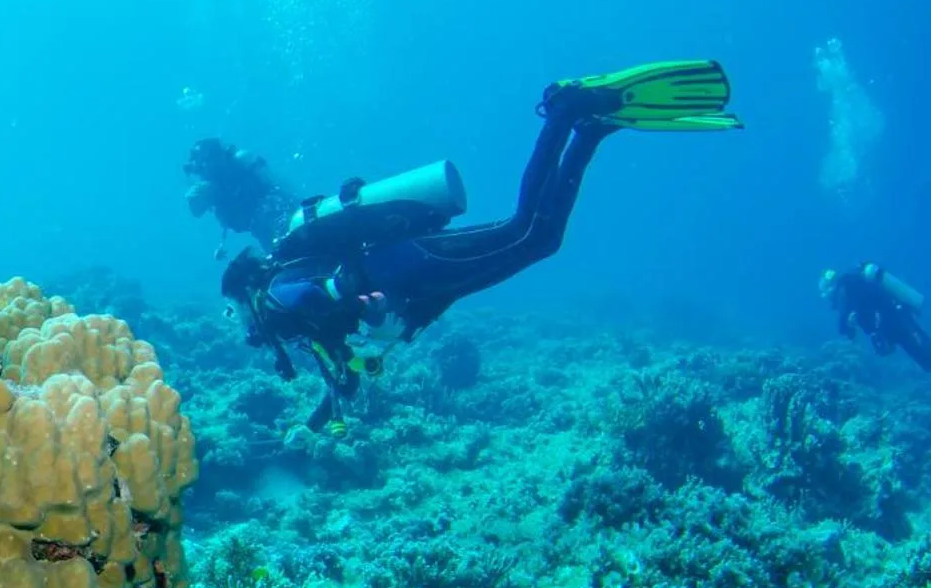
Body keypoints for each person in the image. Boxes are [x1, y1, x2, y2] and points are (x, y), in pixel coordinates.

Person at [222, 60, 743, 434]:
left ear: (245, 291)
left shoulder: (274, 297)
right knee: (540, 240)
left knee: (526, 231)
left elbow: (329, 293)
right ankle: (590, 130)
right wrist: (321, 418)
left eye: (234, 309)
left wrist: (362, 306)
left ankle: (564, 112)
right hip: (420, 282)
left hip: (412, 265)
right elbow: (342, 368)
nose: (240, 321)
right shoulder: (284, 312)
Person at [184, 138, 289, 252]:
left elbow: (273, 184)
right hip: (262, 225)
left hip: (275, 209)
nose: (204, 169)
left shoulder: (240, 162)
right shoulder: (217, 189)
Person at [822, 263, 931, 370]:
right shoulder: (852, 285)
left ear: (831, 285)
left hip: (895, 321)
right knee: (922, 355)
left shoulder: (843, 289)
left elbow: (843, 325)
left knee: (923, 351)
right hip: (895, 320)